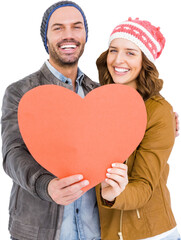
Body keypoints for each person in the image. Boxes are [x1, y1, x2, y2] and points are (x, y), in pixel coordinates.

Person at [1, 1, 128, 240]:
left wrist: (161, 115)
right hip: (38, 233)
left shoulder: (99, 95)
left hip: (94, 232)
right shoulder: (20, 92)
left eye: (76, 27)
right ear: (46, 37)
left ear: (85, 35)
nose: (68, 35)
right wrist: (45, 186)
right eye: (58, 28)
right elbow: (12, 154)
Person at [95, 18, 181, 240]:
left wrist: (114, 195)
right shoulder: (99, 103)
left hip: (152, 234)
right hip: (105, 232)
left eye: (130, 52)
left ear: (145, 61)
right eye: (113, 50)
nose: (118, 59)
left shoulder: (159, 112)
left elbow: (144, 186)